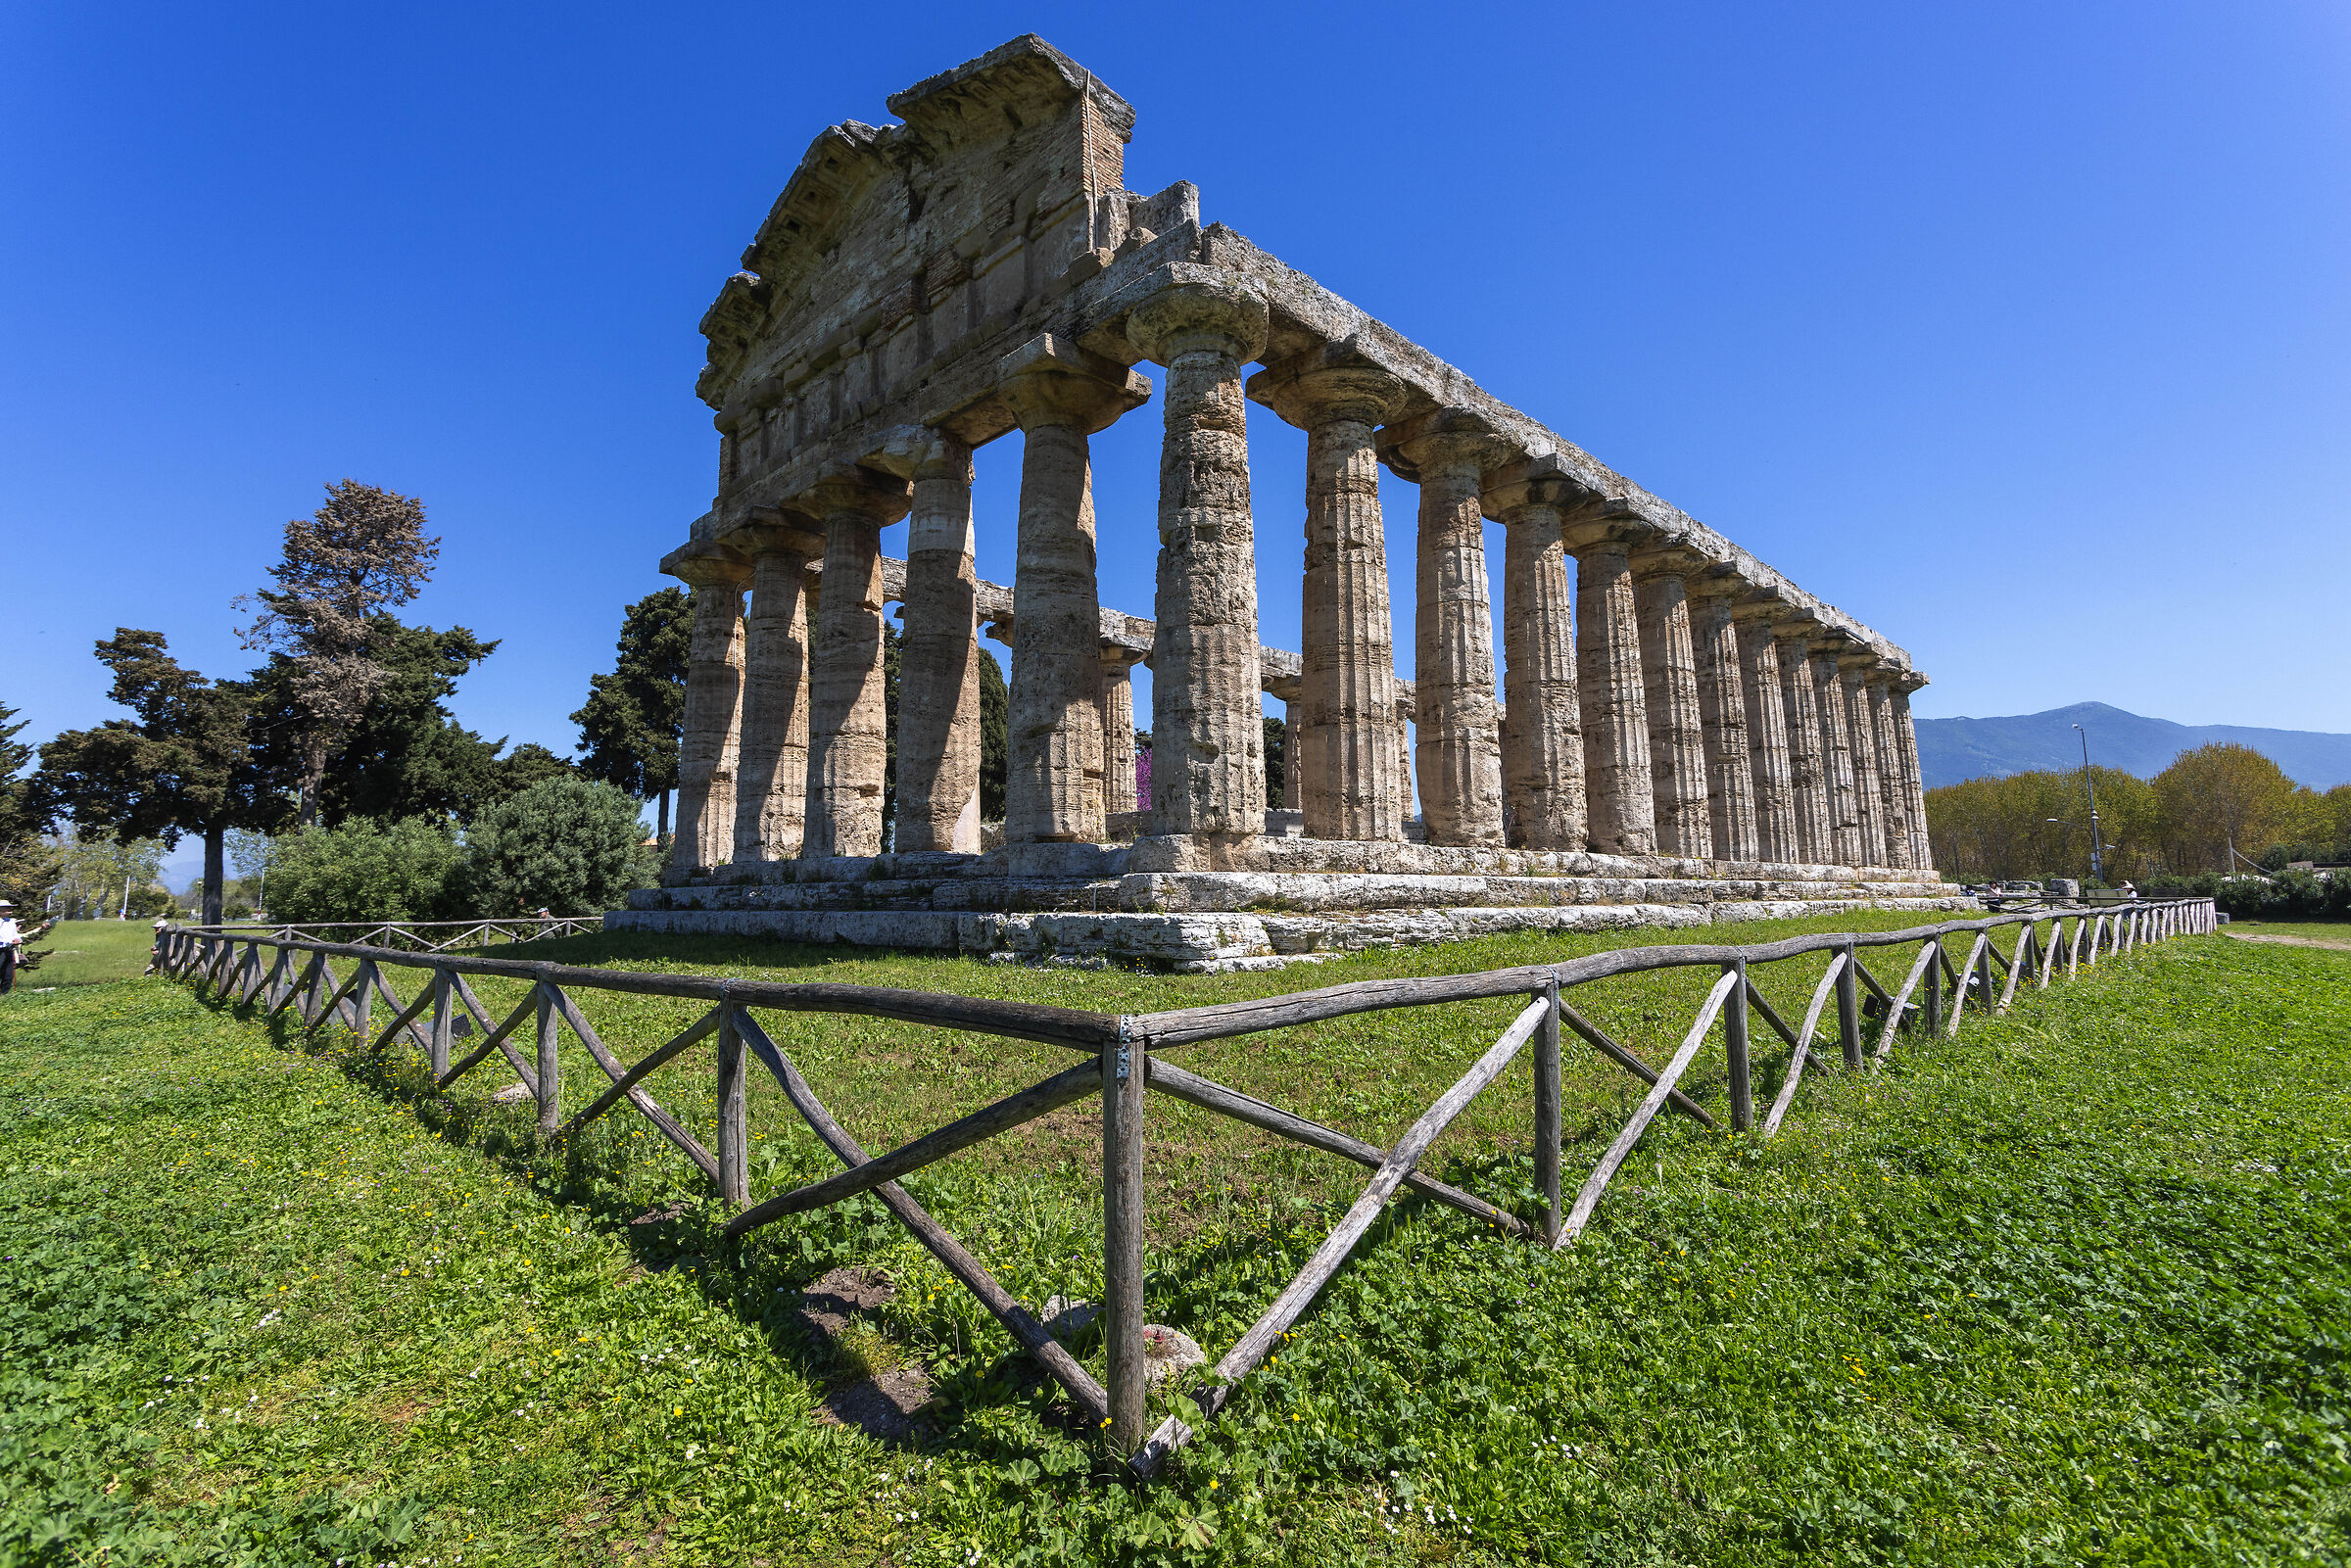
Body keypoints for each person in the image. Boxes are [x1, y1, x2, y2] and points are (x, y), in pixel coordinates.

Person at [0, 900, 55, 997]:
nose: (10, 909)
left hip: (8, 951)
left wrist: (40, 929)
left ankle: (3, 996)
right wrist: (8, 942)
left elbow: (16, 936)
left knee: (8, 976)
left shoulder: (11, 922)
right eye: (7, 907)